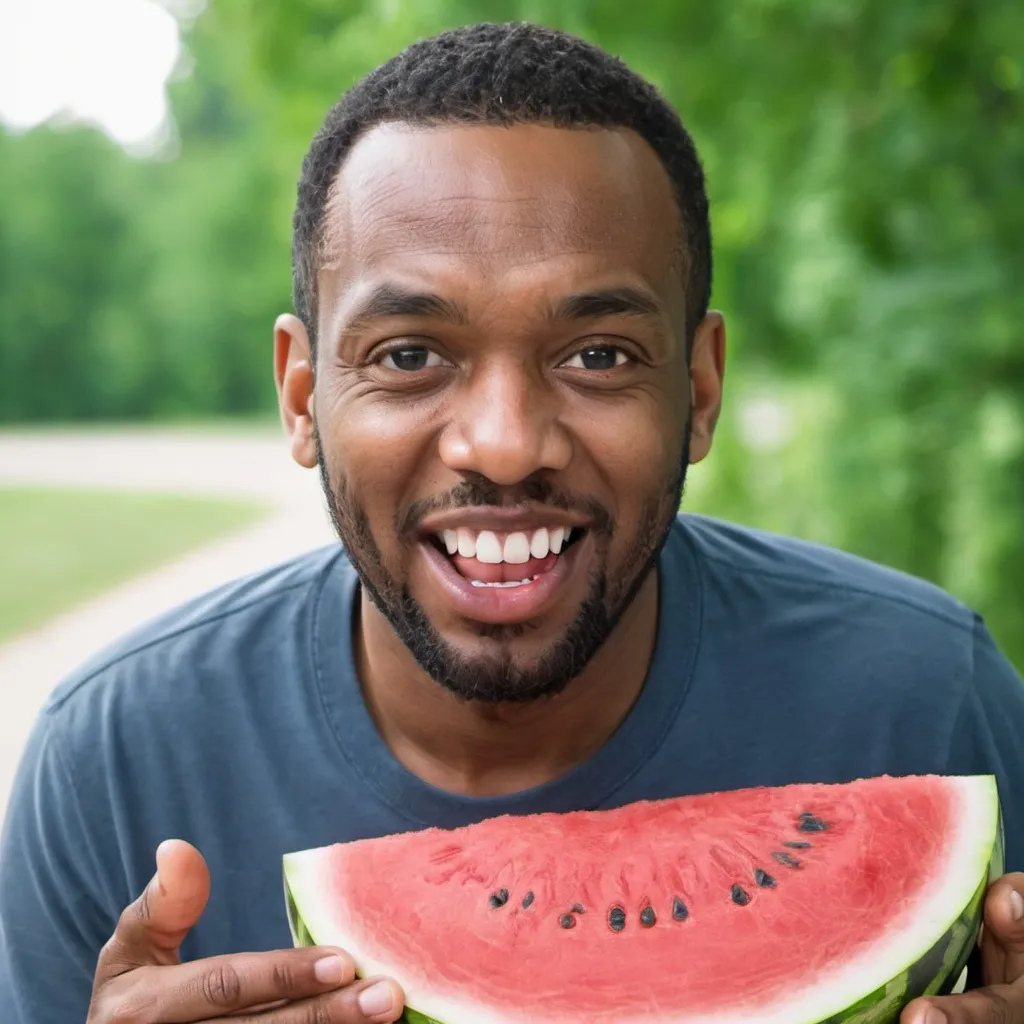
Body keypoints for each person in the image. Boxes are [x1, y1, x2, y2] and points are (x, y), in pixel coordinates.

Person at [2, 20, 1023, 1024]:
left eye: (597, 356)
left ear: (699, 387)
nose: (501, 444)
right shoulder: (118, 760)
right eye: (409, 355)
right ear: (302, 397)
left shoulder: (924, 700)